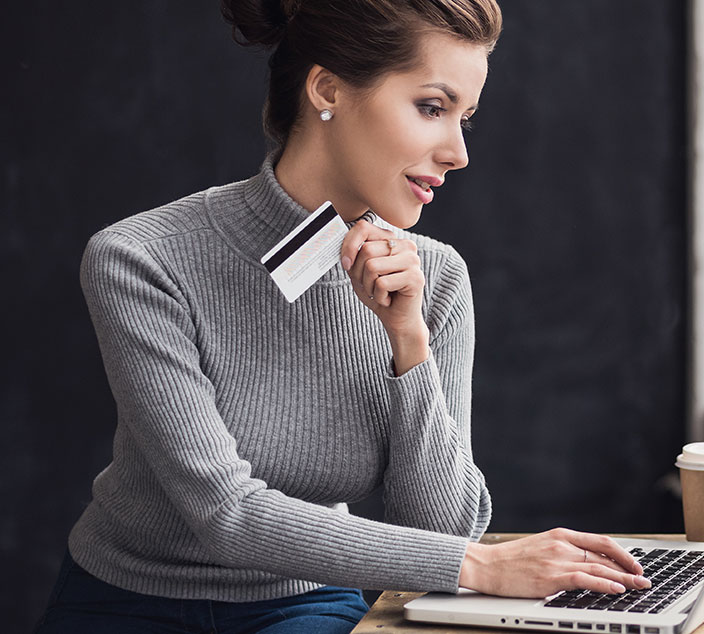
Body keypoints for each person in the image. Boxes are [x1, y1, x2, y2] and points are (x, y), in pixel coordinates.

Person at [35, 1, 649, 632]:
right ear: (327, 89)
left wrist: (408, 341)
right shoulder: (141, 260)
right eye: (432, 108)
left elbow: (438, 532)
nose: (458, 152)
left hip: (302, 602)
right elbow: (224, 514)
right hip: (124, 599)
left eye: (465, 118)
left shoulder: (435, 279)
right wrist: (484, 567)